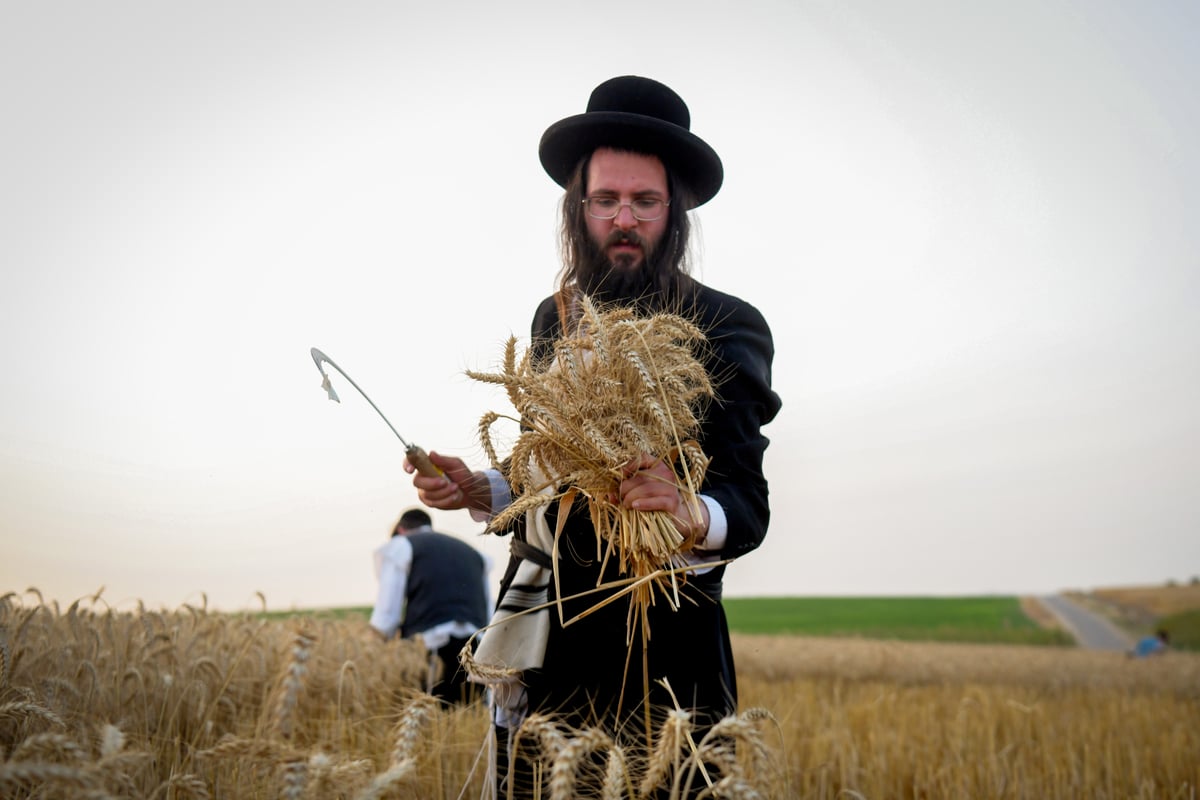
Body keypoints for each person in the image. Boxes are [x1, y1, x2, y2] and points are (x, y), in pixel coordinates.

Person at [405, 75, 781, 794]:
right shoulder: (556, 319)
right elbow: (552, 464)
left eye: (644, 201)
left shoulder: (731, 325)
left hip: (664, 654)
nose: (623, 220)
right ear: (579, 208)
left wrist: (685, 509)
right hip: (548, 640)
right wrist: (482, 486)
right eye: (605, 200)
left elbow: (748, 501)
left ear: (675, 213)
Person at [369, 507, 491, 706]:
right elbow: (488, 609)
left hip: (429, 652)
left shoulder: (402, 545)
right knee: (466, 721)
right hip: (474, 652)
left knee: (428, 721)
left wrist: (376, 655)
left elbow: (386, 616)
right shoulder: (472, 552)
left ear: (400, 530)